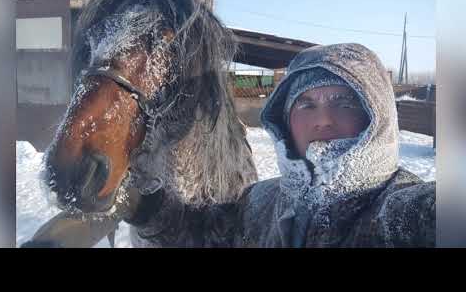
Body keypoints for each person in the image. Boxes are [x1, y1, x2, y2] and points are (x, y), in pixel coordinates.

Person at [23, 43, 435, 248]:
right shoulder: (263, 203)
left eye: (344, 101)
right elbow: (201, 233)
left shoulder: (401, 213)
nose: (323, 119)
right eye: (306, 103)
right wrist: (141, 206)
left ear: (377, 114)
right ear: (284, 120)